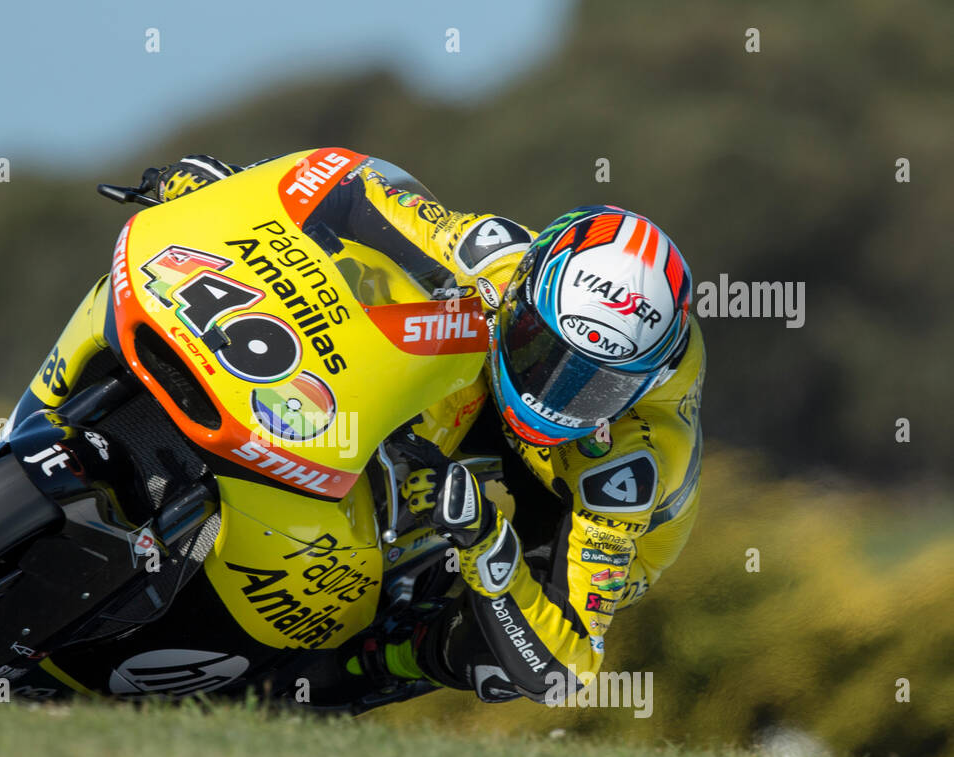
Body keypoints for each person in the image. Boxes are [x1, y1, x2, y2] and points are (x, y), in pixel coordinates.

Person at [152, 152, 704, 706]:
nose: (554, 397)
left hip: (568, 496)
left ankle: (390, 657)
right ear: (521, 292)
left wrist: (482, 536)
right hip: (488, 375)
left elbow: (568, 670)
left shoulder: (634, 466)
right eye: (544, 352)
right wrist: (228, 196)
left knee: (501, 663)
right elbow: (350, 190)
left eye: (595, 388)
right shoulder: (499, 257)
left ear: (644, 383)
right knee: (400, 291)